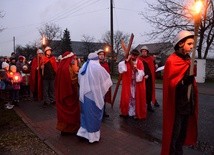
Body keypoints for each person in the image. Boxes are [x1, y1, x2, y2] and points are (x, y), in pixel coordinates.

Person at [161, 30, 198, 155]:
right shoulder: (172, 60)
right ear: (181, 43)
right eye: (190, 43)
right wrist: (183, 81)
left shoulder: (188, 60)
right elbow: (171, 84)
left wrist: (190, 76)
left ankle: (179, 152)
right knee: (174, 133)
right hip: (177, 105)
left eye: (193, 44)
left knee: (183, 133)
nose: (192, 46)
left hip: (188, 103)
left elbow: (191, 80)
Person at [77, 52, 112, 143]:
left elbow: (80, 80)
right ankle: (93, 137)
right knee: (93, 116)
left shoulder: (83, 67)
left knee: (85, 115)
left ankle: (83, 133)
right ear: (96, 59)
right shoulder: (98, 68)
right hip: (94, 96)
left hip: (84, 96)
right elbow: (107, 79)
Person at [55, 51, 80, 135]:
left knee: (63, 111)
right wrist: (78, 77)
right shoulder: (67, 69)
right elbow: (72, 81)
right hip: (68, 94)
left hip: (61, 94)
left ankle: (64, 129)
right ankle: (70, 129)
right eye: (73, 59)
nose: (74, 60)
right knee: (70, 111)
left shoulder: (61, 67)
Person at [118, 49, 146, 119]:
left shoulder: (139, 62)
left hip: (136, 84)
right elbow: (121, 69)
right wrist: (125, 61)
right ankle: (126, 112)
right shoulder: (127, 61)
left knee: (135, 97)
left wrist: (137, 71)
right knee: (128, 97)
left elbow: (142, 72)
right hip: (128, 83)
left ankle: (135, 113)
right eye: (133, 55)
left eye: (135, 56)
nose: (134, 57)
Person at [139, 46, 159, 112]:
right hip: (141, 78)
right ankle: (142, 105)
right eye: (142, 51)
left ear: (147, 52)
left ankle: (149, 105)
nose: (144, 52)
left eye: (145, 51)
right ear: (141, 52)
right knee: (141, 92)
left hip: (149, 79)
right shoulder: (139, 59)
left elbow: (153, 69)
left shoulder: (150, 59)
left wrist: (149, 75)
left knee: (149, 92)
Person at [96, 49, 112, 118]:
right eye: (100, 54)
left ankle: (103, 112)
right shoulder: (96, 64)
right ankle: (99, 113)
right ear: (98, 55)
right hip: (98, 84)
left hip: (104, 84)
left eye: (103, 54)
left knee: (104, 98)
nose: (102, 56)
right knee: (99, 98)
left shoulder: (105, 63)